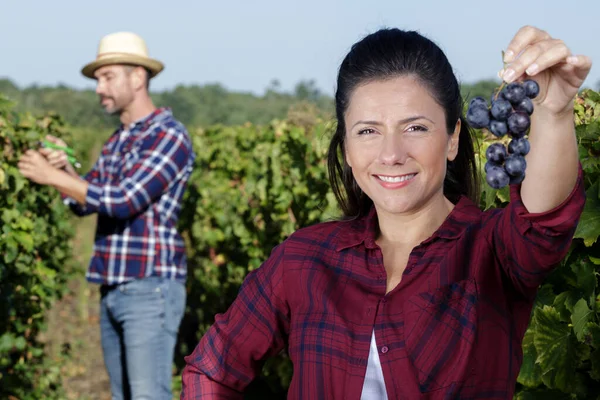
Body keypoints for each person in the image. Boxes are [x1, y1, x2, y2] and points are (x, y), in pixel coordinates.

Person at [180, 25, 590, 399]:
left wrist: (553, 114)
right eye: (368, 131)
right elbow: (213, 370)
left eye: (415, 127)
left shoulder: (493, 251)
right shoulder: (303, 259)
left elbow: (545, 219)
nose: (392, 154)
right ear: (346, 147)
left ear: (452, 139)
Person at [18, 31, 195, 399]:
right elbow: (87, 200)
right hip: (113, 284)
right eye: (98, 79)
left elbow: (123, 200)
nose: (99, 88)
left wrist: (51, 176)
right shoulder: (118, 140)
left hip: (150, 286)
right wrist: (65, 170)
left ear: (138, 77)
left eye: (107, 76)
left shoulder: (169, 135)